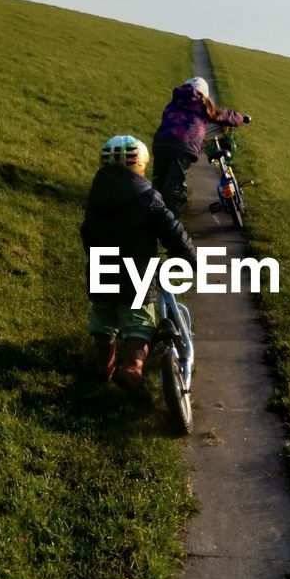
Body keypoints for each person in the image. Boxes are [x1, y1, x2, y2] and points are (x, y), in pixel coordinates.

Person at [80, 134, 196, 399]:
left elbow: (87, 232)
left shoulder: (96, 197)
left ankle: (105, 365)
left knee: (104, 318)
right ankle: (132, 367)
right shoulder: (148, 198)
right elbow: (173, 233)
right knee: (139, 323)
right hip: (136, 276)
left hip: (101, 268)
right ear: (141, 166)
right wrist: (192, 259)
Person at [151, 76, 250, 219]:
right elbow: (226, 116)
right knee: (174, 186)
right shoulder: (204, 105)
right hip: (183, 145)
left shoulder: (172, 103)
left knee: (159, 181)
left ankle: (152, 215)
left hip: (161, 143)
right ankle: (169, 223)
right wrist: (241, 118)